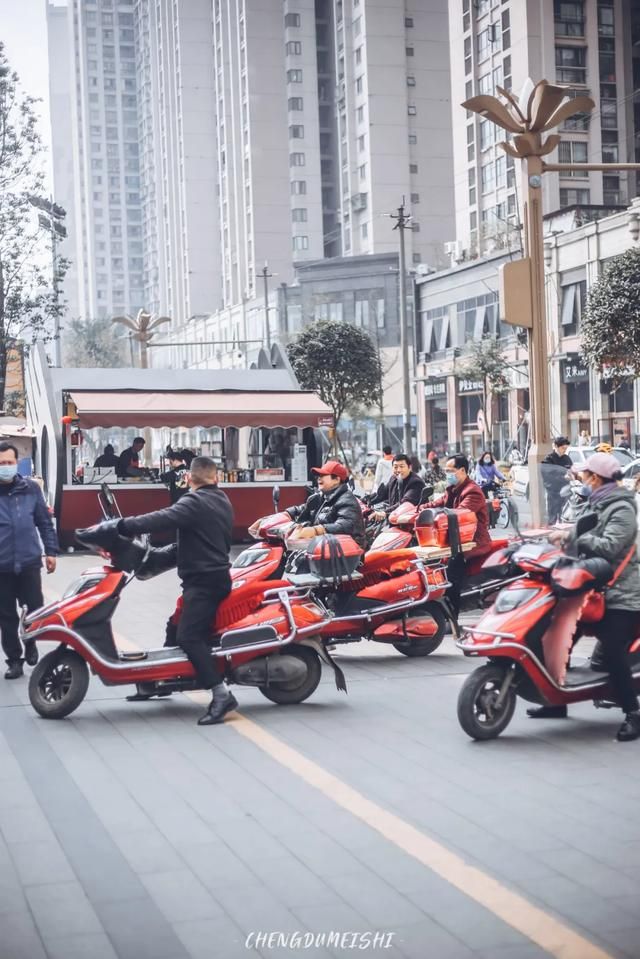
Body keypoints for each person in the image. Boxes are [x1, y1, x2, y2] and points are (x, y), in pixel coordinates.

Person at [118, 456, 236, 726]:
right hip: (210, 577)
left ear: (188, 479)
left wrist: (121, 526)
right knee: (174, 626)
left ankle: (221, 695)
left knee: (189, 637)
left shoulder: (194, 501)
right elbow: (199, 538)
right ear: (216, 478)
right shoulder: (221, 499)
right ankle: (159, 681)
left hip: (205, 582)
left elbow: (162, 519)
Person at [530, 453, 640, 742]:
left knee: (614, 651)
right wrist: (560, 535)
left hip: (622, 593)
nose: (583, 479)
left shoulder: (622, 508)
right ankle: (556, 700)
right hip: (592, 587)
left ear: (598, 478)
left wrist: (574, 537)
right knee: (559, 636)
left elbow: (610, 545)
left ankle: (632, 712)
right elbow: (582, 533)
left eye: (587, 475)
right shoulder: (596, 501)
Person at [0, 442, 59, 679]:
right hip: (1, 567)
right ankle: (14, 660)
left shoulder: (31, 489)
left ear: (17, 463)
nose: (5, 466)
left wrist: (51, 551)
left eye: (9, 462)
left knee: (34, 610)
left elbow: (44, 522)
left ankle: (31, 643)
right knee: (6, 615)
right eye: (1, 463)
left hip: (29, 562)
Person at [429, 454, 491, 616]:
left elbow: (459, 513)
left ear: (462, 470)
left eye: (450, 470)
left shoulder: (473, 492)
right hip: (456, 540)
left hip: (472, 543)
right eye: (446, 470)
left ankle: (452, 616)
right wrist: (421, 509)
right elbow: (438, 503)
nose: (447, 474)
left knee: (451, 572)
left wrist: (437, 515)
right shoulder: (453, 489)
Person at [286, 460, 366, 549]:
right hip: (321, 547)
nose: (319, 478)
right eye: (319, 475)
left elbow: (345, 525)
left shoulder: (347, 500)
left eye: (323, 475)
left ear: (336, 479)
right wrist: (287, 513)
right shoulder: (321, 497)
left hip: (344, 556)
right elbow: (305, 508)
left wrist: (317, 530)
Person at [371, 454, 425, 520]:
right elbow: (382, 495)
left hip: (411, 524)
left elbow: (404, 504)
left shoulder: (416, 483)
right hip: (394, 519)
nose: (398, 470)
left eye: (401, 467)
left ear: (409, 467)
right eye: (395, 467)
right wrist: (367, 500)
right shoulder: (393, 478)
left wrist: (384, 512)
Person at [541, 436, 572, 524]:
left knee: (564, 514)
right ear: (556, 446)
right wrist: (562, 478)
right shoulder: (549, 459)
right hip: (553, 491)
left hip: (566, 489)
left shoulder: (567, 458)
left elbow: (571, 470)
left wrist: (572, 475)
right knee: (553, 514)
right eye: (563, 448)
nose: (564, 450)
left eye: (566, 448)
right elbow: (547, 475)